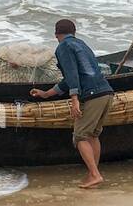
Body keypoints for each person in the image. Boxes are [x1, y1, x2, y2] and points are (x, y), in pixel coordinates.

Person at [29, 18, 114, 188]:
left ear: (56, 35)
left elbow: (72, 74)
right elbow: (73, 78)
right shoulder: (82, 45)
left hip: (91, 96)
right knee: (93, 135)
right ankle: (93, 174)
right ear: (74, 33)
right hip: (106, 93)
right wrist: (46, 94)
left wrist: (74, 99)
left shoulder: (63, 47)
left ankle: (95, 175)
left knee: (80, 136)